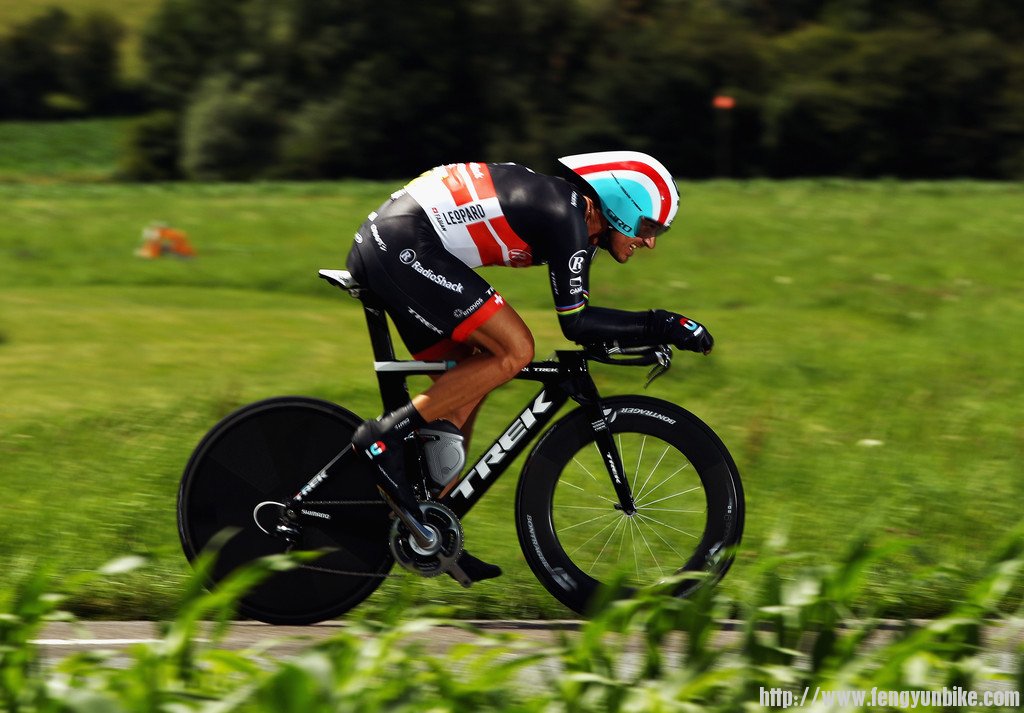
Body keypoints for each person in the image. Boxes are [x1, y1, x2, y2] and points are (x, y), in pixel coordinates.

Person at [345, 151, 714, 583]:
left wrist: (646, 334)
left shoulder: (575, 219)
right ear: (620, 205)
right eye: (649, 227)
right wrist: (662, 324)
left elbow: (584, 322)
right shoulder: (567, 214)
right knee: (515, 349)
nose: (649, 242)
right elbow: (577, 323)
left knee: (468, 385)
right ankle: (382, 438)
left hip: (395, 241)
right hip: (404, 243)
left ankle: (428, 527)